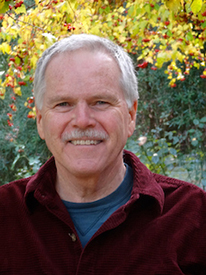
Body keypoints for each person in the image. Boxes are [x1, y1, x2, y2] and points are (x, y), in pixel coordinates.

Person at [0, 34, 206, 275]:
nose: (83, 120)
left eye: (101, 102)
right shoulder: (5, 215)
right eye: (63, 104)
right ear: (41, 121)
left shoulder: (195, 217)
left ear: (131, 115)